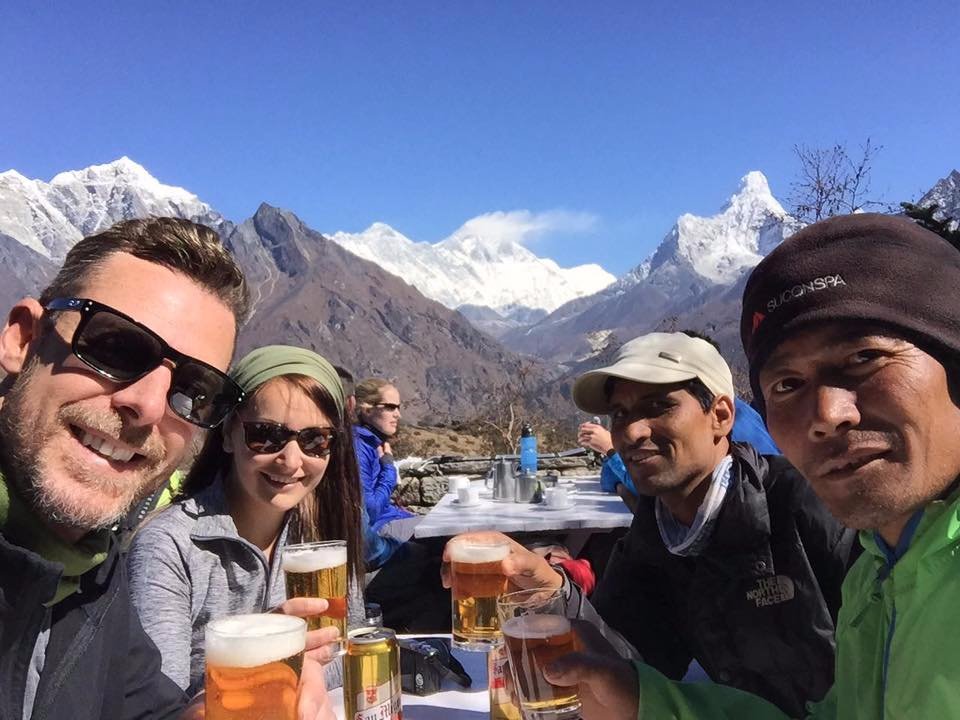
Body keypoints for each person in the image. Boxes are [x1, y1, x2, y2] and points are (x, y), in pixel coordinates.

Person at [545, 213, 960, 718]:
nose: (827, 415)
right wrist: (561, 600)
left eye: (863, 359)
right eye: (786, 385)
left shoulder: (807, 513)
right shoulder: (880, 569)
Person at [0, 218, 333, 720]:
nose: (150, 406)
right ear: (23, 340)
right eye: (115, 348)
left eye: (194, 390)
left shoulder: (91, 569)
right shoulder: (160, 547)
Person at [448, 331, 858, 714]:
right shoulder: (656, 530)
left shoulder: (808, 504)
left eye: (659, 406)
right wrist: (552, 590)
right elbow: (628, 660)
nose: (631, 431)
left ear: (720, 415)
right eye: (620, 413)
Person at [127, 345, 363, 696]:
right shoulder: (170, 546)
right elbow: (157, 703)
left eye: (315, 440)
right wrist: (259, 653)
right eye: (265, 435)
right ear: (227, 434)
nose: (291, 460)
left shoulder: (321, 535)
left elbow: (347, 653)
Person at [353, 378, 417, 543]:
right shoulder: (358, 448)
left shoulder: (373, 443)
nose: (398, 414)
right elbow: (371, 510)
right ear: (367, 410)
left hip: (391, 518)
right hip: (379, 530)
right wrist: (389, 468)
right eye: (390, 407)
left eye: (398, 407)